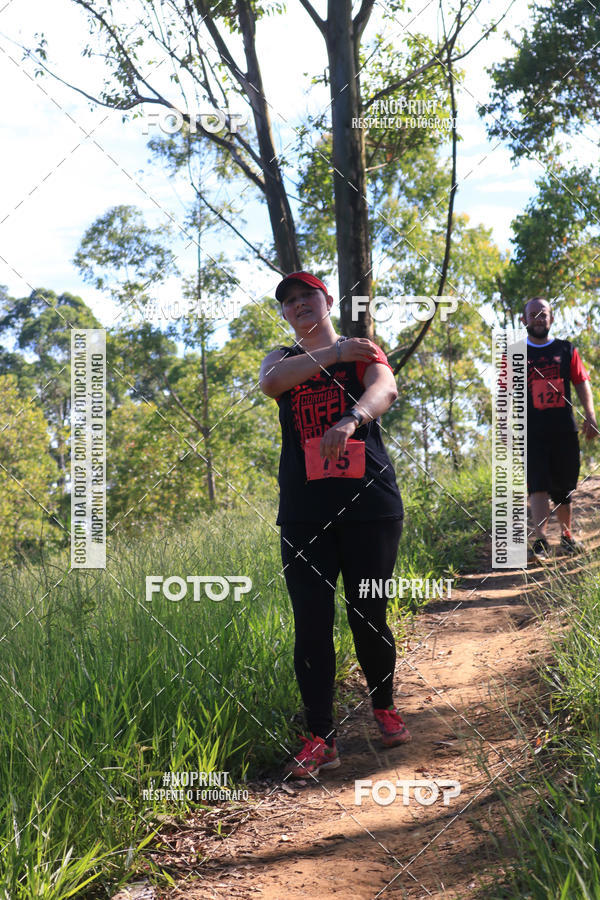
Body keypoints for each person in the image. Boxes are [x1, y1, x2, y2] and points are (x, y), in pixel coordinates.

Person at [259, 271, 411, 779]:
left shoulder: (365, 350)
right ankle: (320, 738)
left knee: (368, 614)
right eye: (291, 301)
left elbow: (385, 388)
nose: (300, 304)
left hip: (370, 505)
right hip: (305, 513)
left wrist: (351, 419)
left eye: (309, 296)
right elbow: (271, 384)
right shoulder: (282, 359)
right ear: (284, 313)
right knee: (311, 625)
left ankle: (384, 707)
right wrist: (334, 354)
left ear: (327, 301)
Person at [522, 297, 597, 558]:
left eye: (543, 314)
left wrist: (590, 414)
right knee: (538, 484)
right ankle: (540, 541)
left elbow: (581, 382)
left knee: (564, 485)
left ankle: (567, 536)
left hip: (564, 429)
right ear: (524, 320)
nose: (538, 319)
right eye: (533, 315)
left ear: (551, 319)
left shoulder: (566, 349)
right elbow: (505, 392)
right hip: (532, 431)